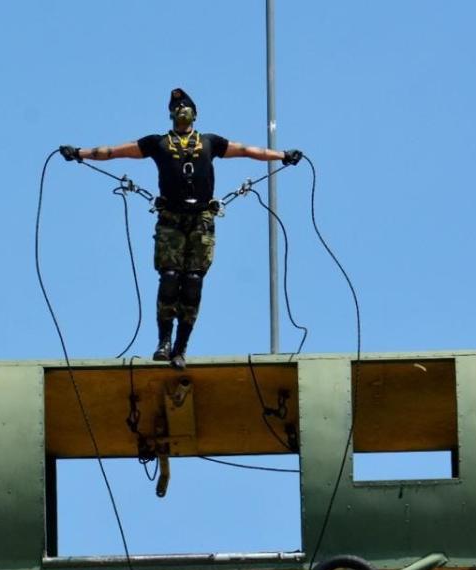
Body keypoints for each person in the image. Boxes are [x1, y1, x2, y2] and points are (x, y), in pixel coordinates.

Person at [60, 88, 302, 369]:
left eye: (186, 106)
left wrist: (282, 155)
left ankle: (181, 346)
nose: (182, 109)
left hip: (200, 220)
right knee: (170, 277)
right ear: (171, 114)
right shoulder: (157, 143)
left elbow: (248, 150)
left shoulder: (210, 142)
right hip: (171, 220)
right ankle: (163, 341)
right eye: (177, 106)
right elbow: (115, 152)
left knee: (193, 281)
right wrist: (79, 153)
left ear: (195, 114)